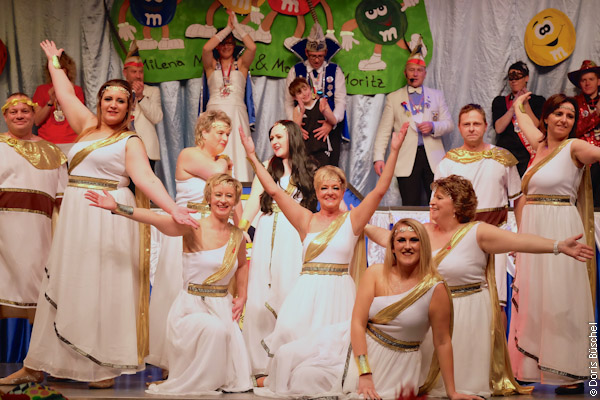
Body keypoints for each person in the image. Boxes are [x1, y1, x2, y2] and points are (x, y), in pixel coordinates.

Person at [0, 40, 196, 388]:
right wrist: (54, 62)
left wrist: (173, 208)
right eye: (108, 98)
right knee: (63, 282)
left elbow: (147, 179)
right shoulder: (88, 126)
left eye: (120, 100)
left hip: (109, 217)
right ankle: (36, 365)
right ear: (100, 102)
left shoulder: (130, 141)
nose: (113, 104)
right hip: (76, 212)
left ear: (129, 108)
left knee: (101, 285)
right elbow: (65, 94)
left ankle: (101, 366)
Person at [365, 175, 592, 397]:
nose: (432, 202)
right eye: (433, 197)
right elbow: (388, 238)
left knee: (462, 388)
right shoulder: (422, 231)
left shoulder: (478, 232)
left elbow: (520, 241)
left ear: (456, 205)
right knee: (424, 387)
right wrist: (356, 224)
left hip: (467, 313)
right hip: (429, 313)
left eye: (439, 197)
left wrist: (558, 246)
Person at [240, 120, 407, 397]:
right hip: (305, 295)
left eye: (335, 188)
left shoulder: (353, 220)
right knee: (297, 350)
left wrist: (395, 150)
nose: (330, 193)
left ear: (342, 191)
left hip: (339, 295)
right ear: (316, 192)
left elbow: (380, 190)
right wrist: (251, 156)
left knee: (333, 355)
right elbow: (274, 191)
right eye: (324, 188)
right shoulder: (305, 220)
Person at [86, 173, 252, 396]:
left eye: (229, 196)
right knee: (215, 330)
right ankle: (201, 382)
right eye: (218, 195)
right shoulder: (193, 227)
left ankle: (213, 380)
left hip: (223, 307)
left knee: (232, 367)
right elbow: (155, 219)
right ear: (209, 198)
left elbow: (242, 266)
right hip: (191, 309)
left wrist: (242, 295)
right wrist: (117, 207)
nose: (223, 200)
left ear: (235, 200)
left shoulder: (237, 236)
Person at [509, 92, 600, 394]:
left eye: (570, 116)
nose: (564, 120)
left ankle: (574, 372)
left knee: (563, 297)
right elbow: (525, 123)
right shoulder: (539, 147)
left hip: (562, 228)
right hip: (534, 231)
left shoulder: (574, 147)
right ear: (546, 118)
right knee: (534, 296)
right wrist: (518, 105)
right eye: (558, 113)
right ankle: (530, 369)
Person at [344, 218, 481, 400]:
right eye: (401, 240)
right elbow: (357, 323)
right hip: (358, 356)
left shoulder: (435, 288)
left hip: (401, 369)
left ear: (423, 246)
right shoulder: (374, 273)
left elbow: (442, 342)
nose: (407, 246)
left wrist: (452, 392)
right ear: (392, 247)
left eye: (414, 240)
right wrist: (364, 372)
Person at [145, 110, 233, 374]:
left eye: (228, 134)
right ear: (203, 132)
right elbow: (217, 175)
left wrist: (239, 226)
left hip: (214, 233)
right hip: (186, 230)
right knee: (177, 293)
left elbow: (229, 195)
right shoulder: (189, 155)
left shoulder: (220, 161)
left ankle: (206, 359)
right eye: (220, 132)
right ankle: (173, 361)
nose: (225, 138)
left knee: (211, 295)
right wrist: (225, 162)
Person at [239, 120, 317, 378]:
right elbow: (253, 202)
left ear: (292, 137)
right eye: (271, 137)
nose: (274, 141)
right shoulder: (266, 168)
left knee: (290, 291)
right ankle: (260, 365)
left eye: (279, 136)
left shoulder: (309, 169)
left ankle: (291, 362)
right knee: (261, 296)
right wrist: (240, 229)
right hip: (266, 233)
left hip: (294, 236)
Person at [435, 104, 523, 309]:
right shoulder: (447, 162)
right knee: (458, 300)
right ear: (459, 127)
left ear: (485, 126)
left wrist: (519, 236)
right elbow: (436, 206)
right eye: (467, 124)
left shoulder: (503, 158)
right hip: (458, 239)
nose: (472, 128)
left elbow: (519, 200)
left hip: (495, 236)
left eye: (476, 123)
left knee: (497, 301)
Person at [0, 93, 67, 322]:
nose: (19, 115)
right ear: (5, 116)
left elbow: (63, 201)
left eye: (25, 111)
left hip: (38, 234)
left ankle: (34, 339)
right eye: (13, 111)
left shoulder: (53, 153)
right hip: (3, 230)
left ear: (33, 114)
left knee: (37, 286)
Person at [373, 43, 453, 206]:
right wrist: (378, 158)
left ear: (425, 73)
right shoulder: (394, 98)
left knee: (438, 203)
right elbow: (384, 131)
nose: (415, 74)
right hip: (406, 158)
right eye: (411, 70)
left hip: (433, 159)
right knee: (410, 204)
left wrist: (433, 127)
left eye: (419, 70)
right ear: (405, 73)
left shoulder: (436, 96)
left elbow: (449, 124)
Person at [203, 11, 256, 182]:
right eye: (223, 43)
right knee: (215, 147)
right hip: (214, 112)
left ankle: (242, 185)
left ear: (234, 45)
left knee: (238, 148)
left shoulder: (241, 65)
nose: (226, 47)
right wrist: (227, 29)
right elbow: (206, 48)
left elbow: (252, 47)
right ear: (218, 46)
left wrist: (237, 27)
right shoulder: (211, 65)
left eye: (230, 43)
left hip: (237, 113)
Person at [285, 23, 347, 167]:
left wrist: (331, 123)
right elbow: (288, 102)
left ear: (325, 53)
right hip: (305, 127)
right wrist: (296, 127)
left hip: (329, 129)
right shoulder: (295, 71)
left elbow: (341, 101)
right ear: (306, 53)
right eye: (313, 56)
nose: (317, 60)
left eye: (320, 56)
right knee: (302, 167)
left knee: (329, 169)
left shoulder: (335, 71)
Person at [492, 61, 545, 177]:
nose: (514, 80)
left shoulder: (538, 101)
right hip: (506, 153)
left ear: (526, 78)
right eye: (511, 77)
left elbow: (536, 125)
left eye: (518, 76)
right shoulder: (500, 101)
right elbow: (499, 128)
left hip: (527, 154)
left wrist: (525, 103)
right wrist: (513, 107)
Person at [32, 51, 85, 155]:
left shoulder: (76, 90)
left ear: (68, 70)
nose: (57, 71)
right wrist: (50, 101)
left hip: (72, 142)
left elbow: (80, 118)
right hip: (46, 143)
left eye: (61, 68)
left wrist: (67, 93)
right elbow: (37, 121)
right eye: (54, 68)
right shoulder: (41, 90)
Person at [122, 48, 163, 171]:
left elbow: (157, 118)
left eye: (141, 72)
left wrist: (140, 97)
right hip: (123, 146)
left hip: (147, 149)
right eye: (134, 72)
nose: (138, 76)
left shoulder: (153, 91)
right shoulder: (118, 91)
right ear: (125, 73)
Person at [568, 60, 600, 206]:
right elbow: (574, 130)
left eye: (591, 79)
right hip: (583, 160)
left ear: (598, 81)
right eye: (583, 80)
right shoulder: (573, 103)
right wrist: (596, 115)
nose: (587, 83)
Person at [289, 77, 337, 167]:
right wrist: (302, 112)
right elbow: (295, 130)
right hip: (305, 152)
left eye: (305, 89)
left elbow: (333, 121)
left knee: (323, 173)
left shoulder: (321, 102)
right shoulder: (297, 109)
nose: (304, 94)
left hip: (322, 149)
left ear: (310, 88)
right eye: (299, 92)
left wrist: (324, 112)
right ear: (294, 97)